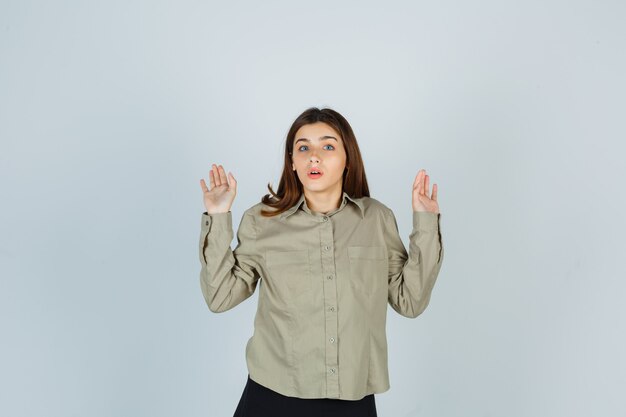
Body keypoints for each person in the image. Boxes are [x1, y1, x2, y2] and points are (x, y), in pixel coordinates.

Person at [198, 107, 444, 417]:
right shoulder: (262, 221)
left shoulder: (377, 220)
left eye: (328, 146)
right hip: (273, 397)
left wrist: (425, 223)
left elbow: (410, 302)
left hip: (351, 400)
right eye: (303, 148)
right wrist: (218, 217)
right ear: (292, 162)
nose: (314, 156)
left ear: (347, 159)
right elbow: (220, 298)